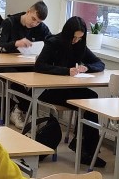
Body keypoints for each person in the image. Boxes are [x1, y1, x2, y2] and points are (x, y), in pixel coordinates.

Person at [34, 16, 106, 168]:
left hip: (69, 89)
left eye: (79, 38)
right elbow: (40, 66)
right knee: (89, 100)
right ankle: (86, 149)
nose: (76, 41)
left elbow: (100, 63)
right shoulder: (53, 42)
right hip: (50, 90)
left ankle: (86, 148)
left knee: (91, 99)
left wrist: (87, 67)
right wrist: (66, 71)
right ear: (67, 34)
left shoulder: (79, 45)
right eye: (74, 37)